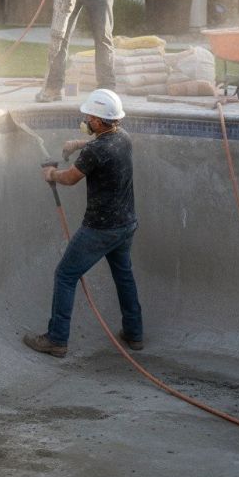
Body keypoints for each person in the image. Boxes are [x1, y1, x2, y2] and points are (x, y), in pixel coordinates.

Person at [23, 89, 143, 358]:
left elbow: (70, 178)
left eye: (89, 117)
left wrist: (52, 173)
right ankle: (134, 334)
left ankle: (56, 340)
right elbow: (100, 148)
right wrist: (79, 144)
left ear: (99, 121)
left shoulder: (96, 151)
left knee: (65, 275)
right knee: (124, 276)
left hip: (100, 228)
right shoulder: (123, 137)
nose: (86, 120)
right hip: (126, 224)